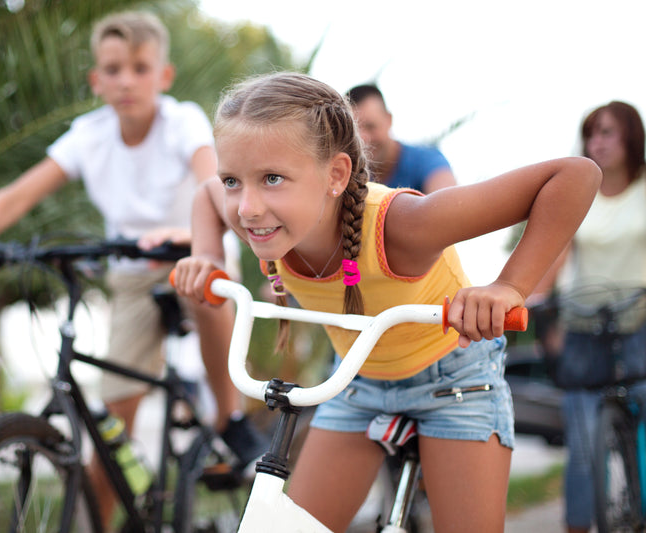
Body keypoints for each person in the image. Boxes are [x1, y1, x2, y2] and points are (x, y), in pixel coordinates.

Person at [171, 71, 601, 533]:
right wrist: (207, 256)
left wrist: (509, 286)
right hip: (359, 381)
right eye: (234, 179)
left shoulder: (404, 225)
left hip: (453, 380)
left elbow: (575, 175)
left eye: (273, 178)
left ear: (336, 175)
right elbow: (207, 196)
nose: (247, 207)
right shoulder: (256, 214)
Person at [0, 10, 265, 528]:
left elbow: (216, 187)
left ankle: (230, 417)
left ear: (164, 76)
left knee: (207, 292)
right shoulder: (88, 135)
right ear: (96, 80)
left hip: (192, 252)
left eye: (139, 67)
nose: (126, 80)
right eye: (113, 69)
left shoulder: (181, 123)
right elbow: (17, 194)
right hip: (130, 270)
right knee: (113, 432)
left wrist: (187, 237)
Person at [532, 101, 646, 533]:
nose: (596, 142)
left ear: (631, 137)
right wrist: (529, 301)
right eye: (591, 133)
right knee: (582, 446)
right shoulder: (579, 190)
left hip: (639, 323)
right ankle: (578, 526)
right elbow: (556, 252)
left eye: (607, 132)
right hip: (583, 324)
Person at [345, 83, 457, 193]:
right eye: (355, 132)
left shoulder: (426, 160)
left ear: (388, 120)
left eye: (370, 127)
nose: (363, 139)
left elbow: (451, 201)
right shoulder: (350, 177)